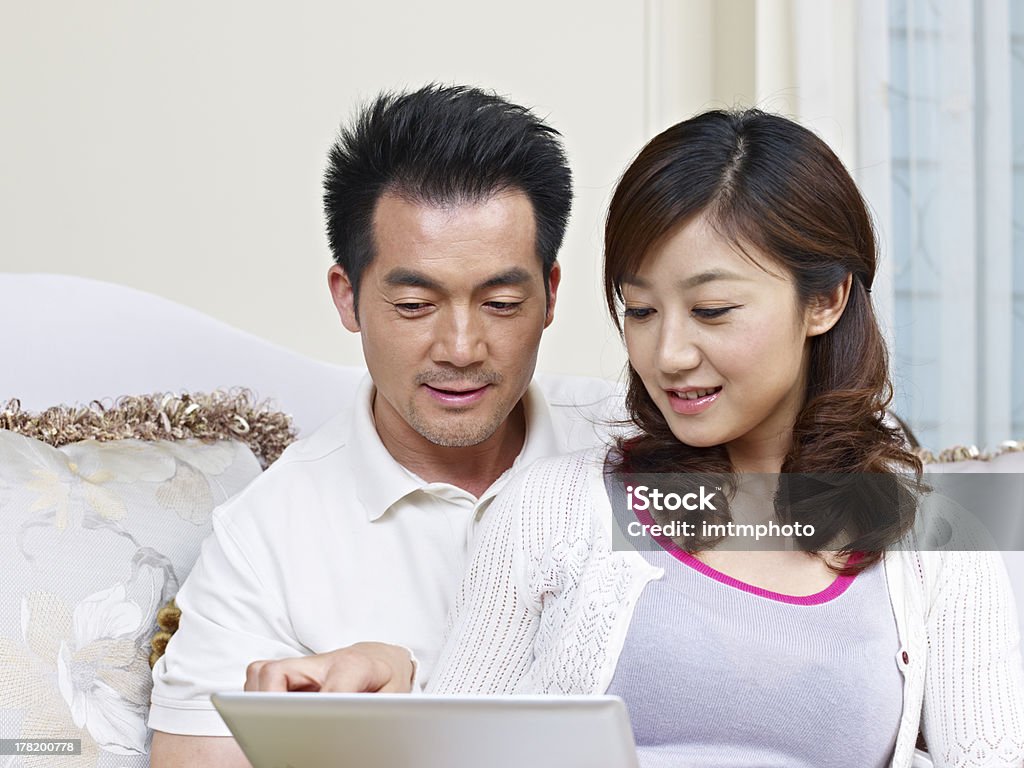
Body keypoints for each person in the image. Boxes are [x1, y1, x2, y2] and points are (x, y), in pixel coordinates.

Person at [428, 109, 1024, 767]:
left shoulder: (938, 549)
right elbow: (447, 750)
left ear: (825, 300)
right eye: (642, 310)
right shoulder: (551, 505)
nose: (669, 354)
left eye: (712, 311)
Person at [148, 84, 621, 767]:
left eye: (501, 301)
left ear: (550, 295)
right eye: (413, 304)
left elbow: (816, 544)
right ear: (348, 298)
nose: (461, 347)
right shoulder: (267, 539)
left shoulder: (634, 448)